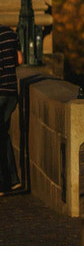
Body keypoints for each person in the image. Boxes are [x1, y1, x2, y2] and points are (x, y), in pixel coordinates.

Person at [0, 24, 21, 195]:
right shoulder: (10, 33)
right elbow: (19, 60)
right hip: (11, 93)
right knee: (3, 135)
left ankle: (2, 184)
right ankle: (13, 180)